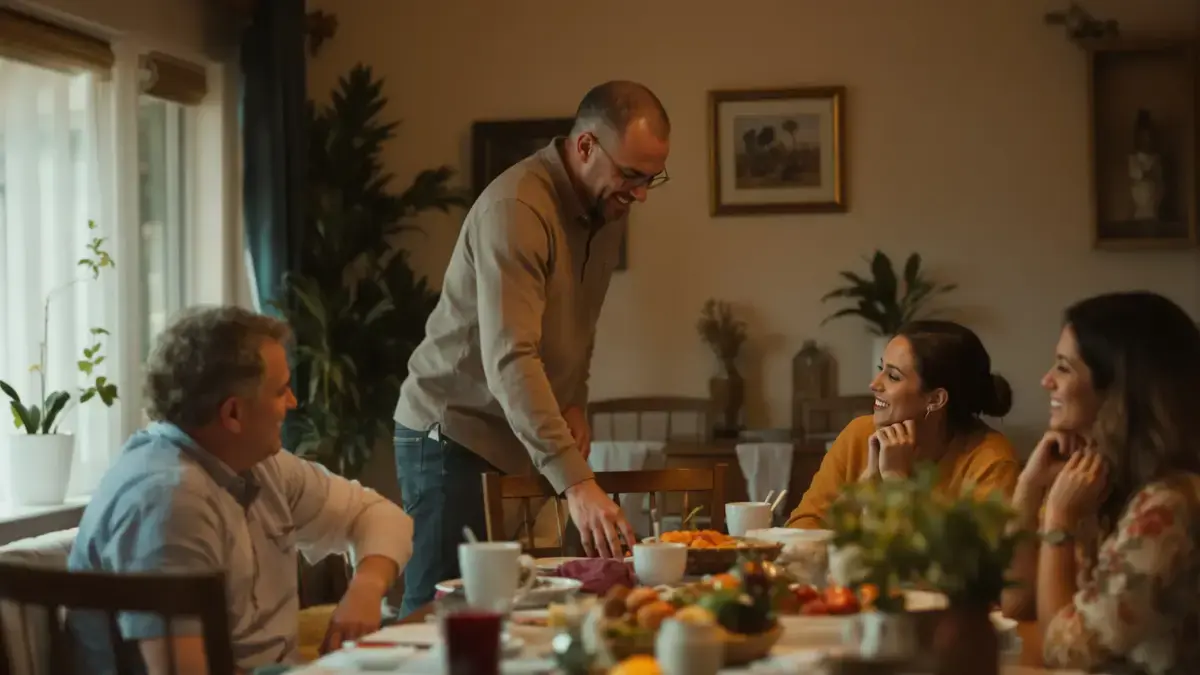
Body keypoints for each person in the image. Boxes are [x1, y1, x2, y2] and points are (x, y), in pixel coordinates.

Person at [392, 80, 670, 615]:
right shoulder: (517, 209)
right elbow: (510, 358)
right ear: (586, 146)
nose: (640, 193)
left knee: (514, 613)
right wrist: (578, 483)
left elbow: (578, 324)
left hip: (518, 431)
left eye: (651, 177)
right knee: (439, 613)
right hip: (453, 431)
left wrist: (575, 401)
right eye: (631, 175)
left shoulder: (606, 211)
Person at [68, 307, 414, 675]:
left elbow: (379, 515)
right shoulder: (170, 500)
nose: (293, 403)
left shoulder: (260, 464)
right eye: (281, 390)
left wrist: (366, 587)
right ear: (233, 413)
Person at [1001, 292, 1200, 674]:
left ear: (1117, 389)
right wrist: (1030, 490)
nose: (1046, 381)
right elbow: (1016, 605)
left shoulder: (1168, 505)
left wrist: (1058, 520)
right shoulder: (1102, 481)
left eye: (1064, 367)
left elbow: (1064, 650)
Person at [787, 320, 1019, 528]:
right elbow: (804, 524)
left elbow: (963, 568)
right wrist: (860, 494)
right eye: (881, 370)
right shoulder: (859, 434)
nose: (874, 384)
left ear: (935, 399)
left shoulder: (992, 461)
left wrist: (897, 482)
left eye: (893, 376)